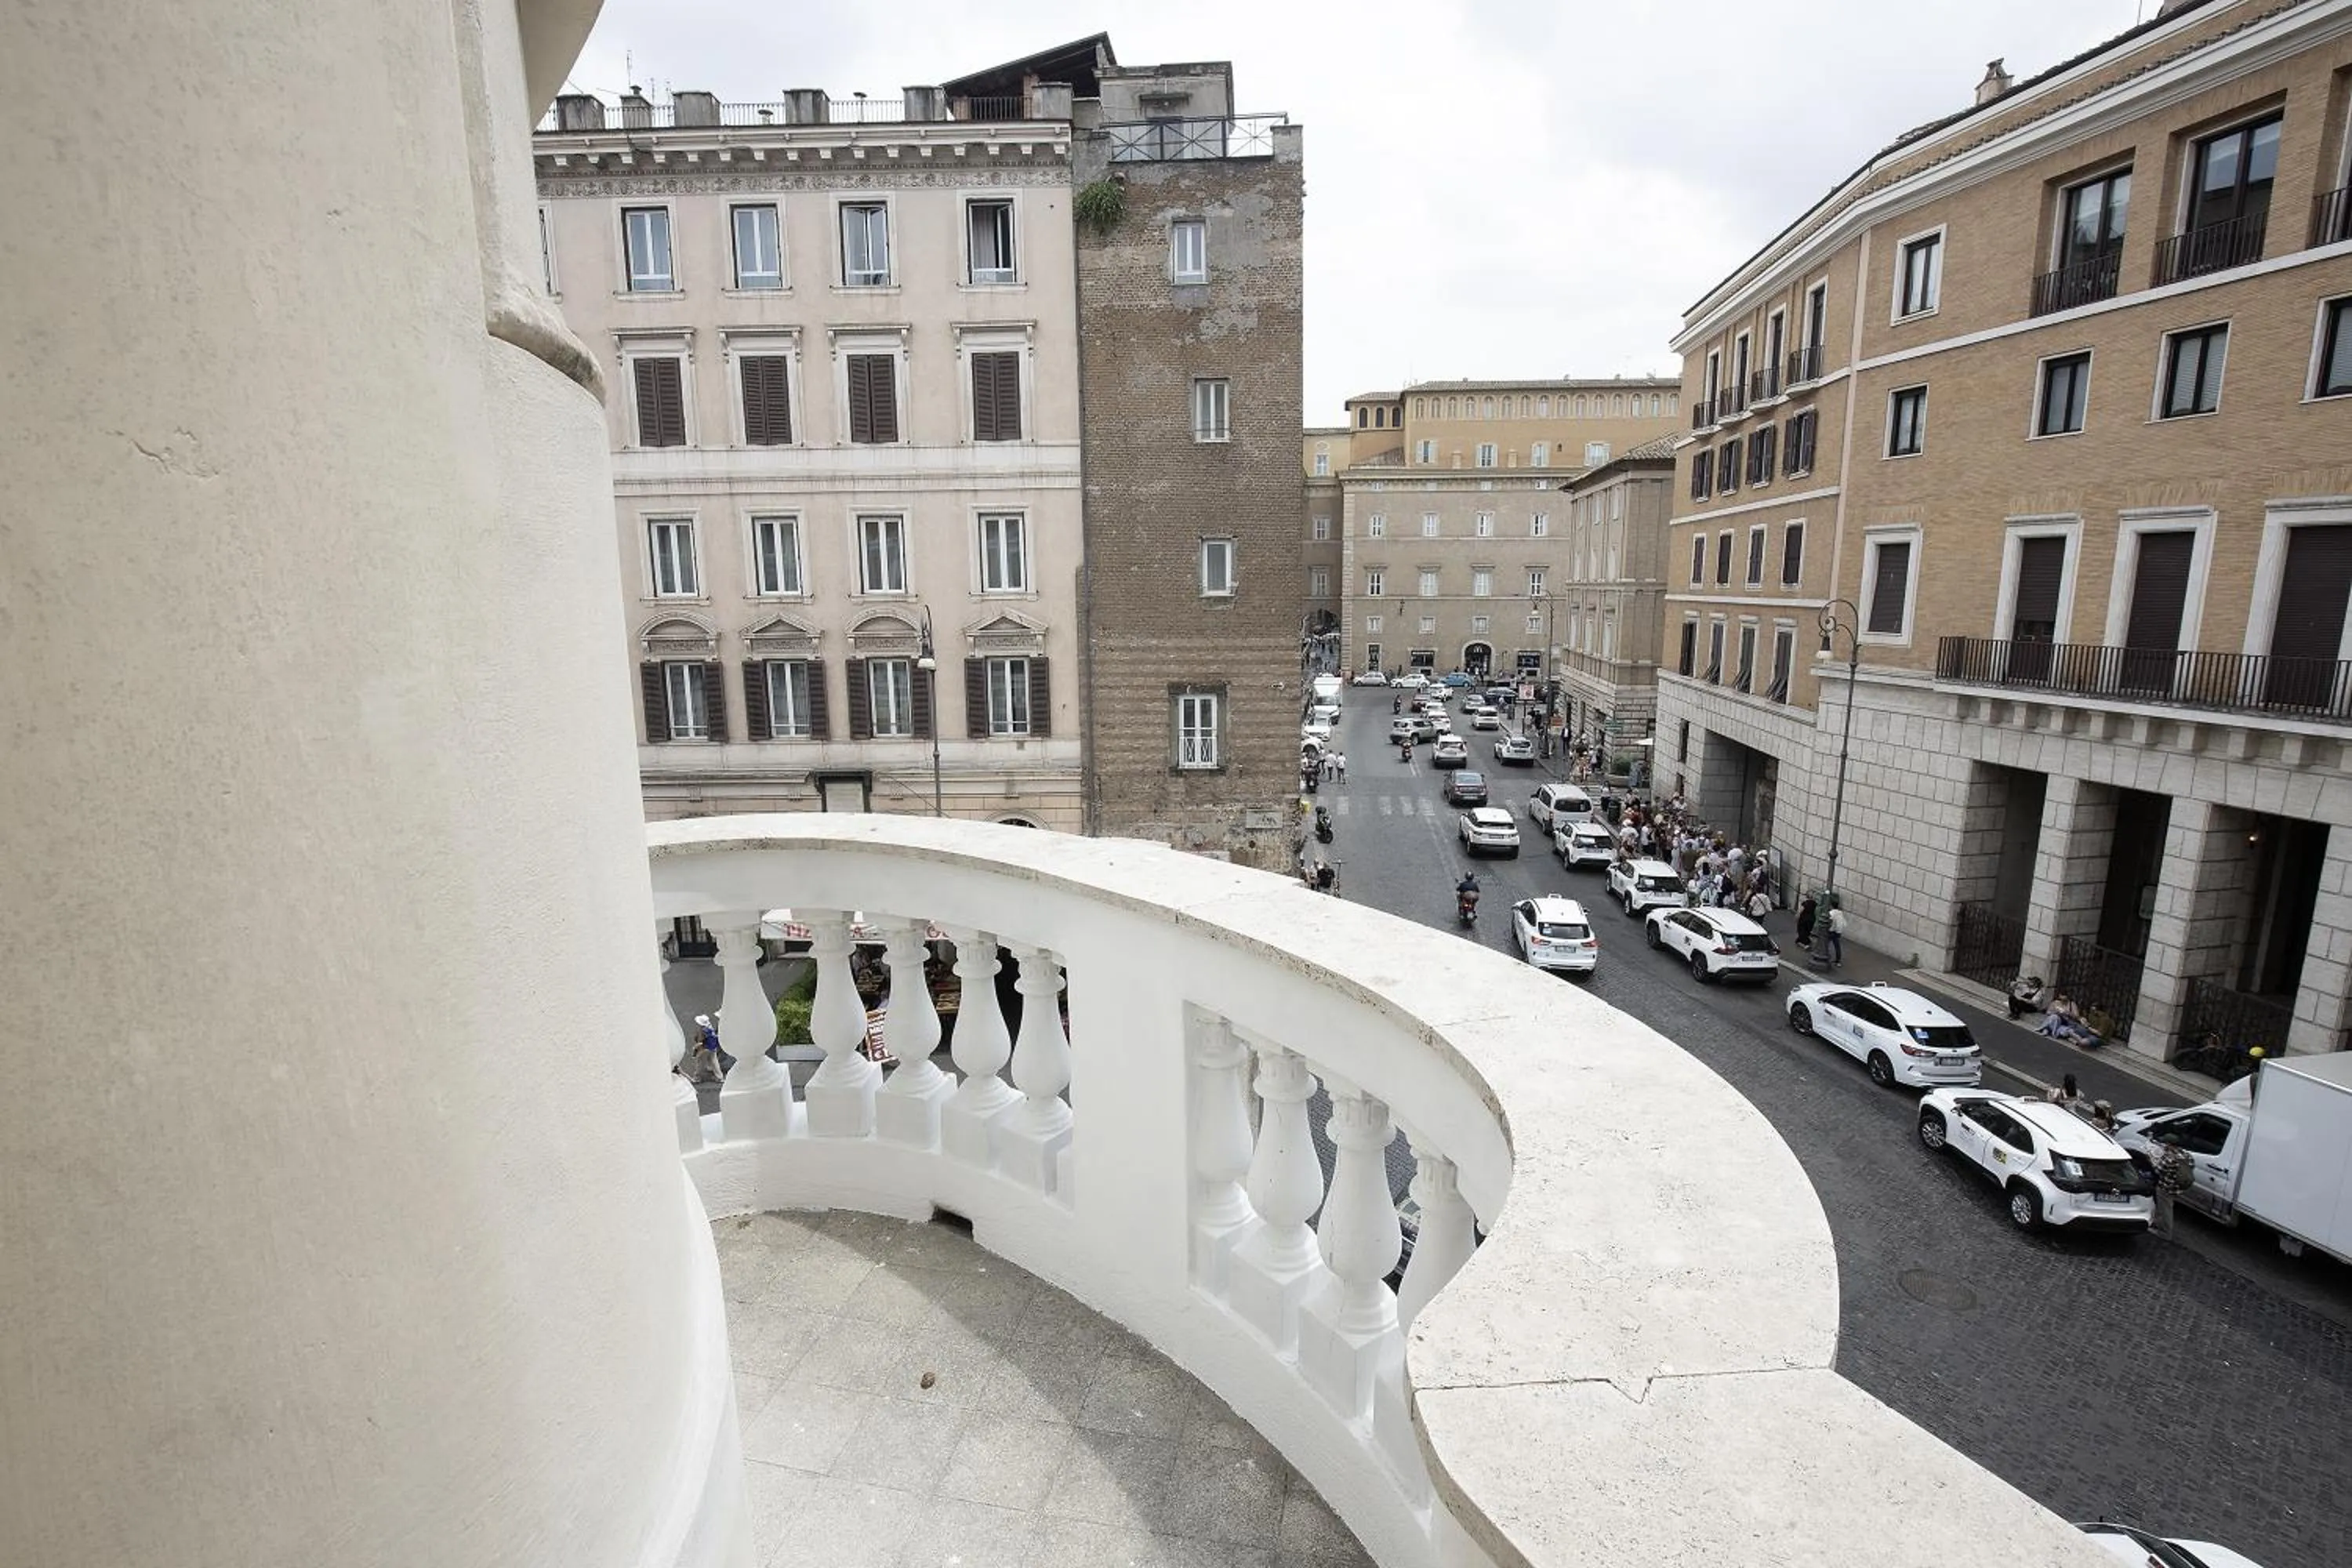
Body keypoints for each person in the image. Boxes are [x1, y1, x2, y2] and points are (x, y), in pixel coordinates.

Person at [1823, 902, 1846, 967]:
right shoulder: (1840, 913)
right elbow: (1843, 923)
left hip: (1831, 931)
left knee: (1825, 944)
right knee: (1837, 946)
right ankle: (1838, 961)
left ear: (1831, 906)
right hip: (1838, 932)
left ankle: (1826, 956)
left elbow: (1829, 921)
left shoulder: (1831, 913)